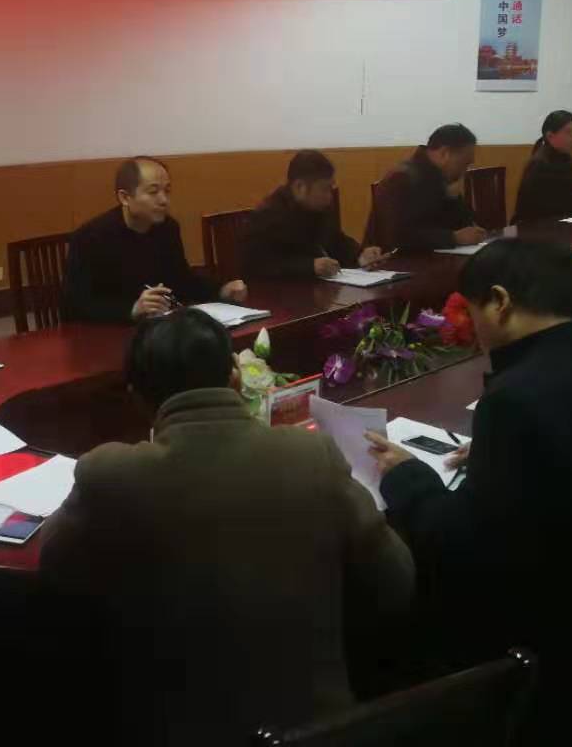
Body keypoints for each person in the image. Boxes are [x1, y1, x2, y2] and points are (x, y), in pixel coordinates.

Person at [365, 240, 572, 743]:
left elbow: (463, 548)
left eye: (473, 311)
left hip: (558, 656)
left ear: (500, 302)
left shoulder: (517, 398)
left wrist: (407, 476)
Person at [41, 309, 414, 744]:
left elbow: (55, 566)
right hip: (312, 728)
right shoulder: (311, 454)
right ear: (235, 377)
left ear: (137, 398)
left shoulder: (110, 475)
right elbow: (395, 581)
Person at [62, 156, 246, 324]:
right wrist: (132, 309)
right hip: (106, 333)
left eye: (167, 191)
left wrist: (222, 290)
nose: (164, 200)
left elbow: (183, 280)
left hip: (158, 328)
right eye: (153, 192)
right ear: (125, 197)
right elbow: (76, 305)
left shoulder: (167, 228)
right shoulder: (90, 238)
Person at [240, 150, 386, 280]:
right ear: (300, 187)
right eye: (324, 189)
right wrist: (310, 267)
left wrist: (361, 255)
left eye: (331, 188)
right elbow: (258, 267)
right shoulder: (267, 217)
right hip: (281, 296)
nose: (329, 197)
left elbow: (337, 241)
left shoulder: (319, 209)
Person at [364, 124, 487, 251]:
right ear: (444, 153)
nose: (465, 170)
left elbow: (464, 225)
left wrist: (453, 198)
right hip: (393, 259)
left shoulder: (441, 177)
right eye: (464, 163)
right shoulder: (401, 178)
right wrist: (453, 238)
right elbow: (398, 236)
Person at [511, 110, 572, 223]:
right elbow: (546, 211)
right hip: (534, 228)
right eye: (569, 132)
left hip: (565, 226)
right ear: (550, 136)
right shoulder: (539, 164)